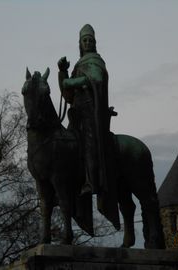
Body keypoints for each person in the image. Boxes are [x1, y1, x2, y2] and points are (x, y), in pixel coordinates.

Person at [58, 24, 111, 195]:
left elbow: (95, 79)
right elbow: (68, 96)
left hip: (90, 112)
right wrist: (63, 73)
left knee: (89, 144)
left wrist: (71, 82)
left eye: (90, 40)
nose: (87, 43)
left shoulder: (96, 61)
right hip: (76, 112)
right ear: (80, 44)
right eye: (84, 40)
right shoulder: (78, 65)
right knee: (66, 145)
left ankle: (92, 182)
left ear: (94, 43)